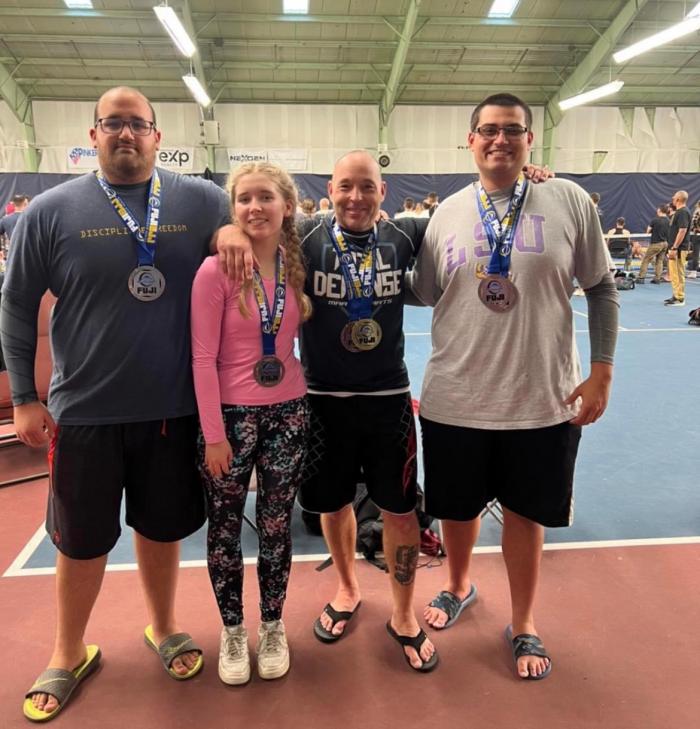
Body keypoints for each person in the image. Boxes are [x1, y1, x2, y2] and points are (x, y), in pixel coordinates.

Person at [226, 149, 553, 674]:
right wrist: (230, 232)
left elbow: (474, 211)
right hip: (323, 401)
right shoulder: (303, 236)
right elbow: (248, 223)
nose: (356, 197)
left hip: (387, 401)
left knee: (400, 512)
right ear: (329, 191)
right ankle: (348, 587)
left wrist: (526, 177)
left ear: (384, 192)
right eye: (345, 186)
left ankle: (403, 613)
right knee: (334, 504)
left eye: (367, 187)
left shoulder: (407, 233)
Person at [0, 86, 239, 722]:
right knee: (80, 541)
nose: (125, 133)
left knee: (160, 529)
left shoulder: (203, 201)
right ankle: (68, 651)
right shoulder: (49, 212)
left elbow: (256, 232)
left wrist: (234, 232)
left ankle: (163, 626)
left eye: (138, 124)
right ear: (93, 135)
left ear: (158, 136)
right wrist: (23, 396)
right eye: (113, 123)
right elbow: (16, 305)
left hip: (172, 409)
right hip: (85, 412)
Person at [408, 93, 618, 680]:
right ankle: (458, 585)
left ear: (530, 140)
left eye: (512, 130)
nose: (499, 139)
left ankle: (523, 621)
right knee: (456, 510)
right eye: (488, 130)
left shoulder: (568, 199)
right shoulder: (446, 214)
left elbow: (602, 287)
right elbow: (424, 291)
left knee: (526, 515)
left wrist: (602, 369)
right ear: (470, 140)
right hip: (456, 396)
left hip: (541, 399)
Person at [191, 162, 311, 685]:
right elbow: (202, 360)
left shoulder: (294, 264)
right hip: (230, 418)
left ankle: (273, 623)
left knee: (277, 525)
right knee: (223, 528)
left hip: (289, 412)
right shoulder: (215, 270)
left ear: (288, 206)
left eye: (265, 197)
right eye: (243, 199)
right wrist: (214, 435)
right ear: (232, 208)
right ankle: (234, 629)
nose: (254, 207)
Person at [664, 190, 691, 306]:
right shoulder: (678, 212)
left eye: (674, 197)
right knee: (674, 273)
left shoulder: (683, 212)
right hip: (674, 248)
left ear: (678, 199)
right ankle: (676, 295)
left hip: (679, 249)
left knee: (678, 272)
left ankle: (680, 298)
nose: (672, 198)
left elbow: (682, 230)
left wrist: (675, 247)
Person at [638, 206, 670, 284]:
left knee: (646, 259)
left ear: (659, 210)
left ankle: (641, 278)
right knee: (660, 261)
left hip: (656, 243)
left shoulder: (655, 220)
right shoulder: (669, 221)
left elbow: (648, 231)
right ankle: (657, 278)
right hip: (665, 243)